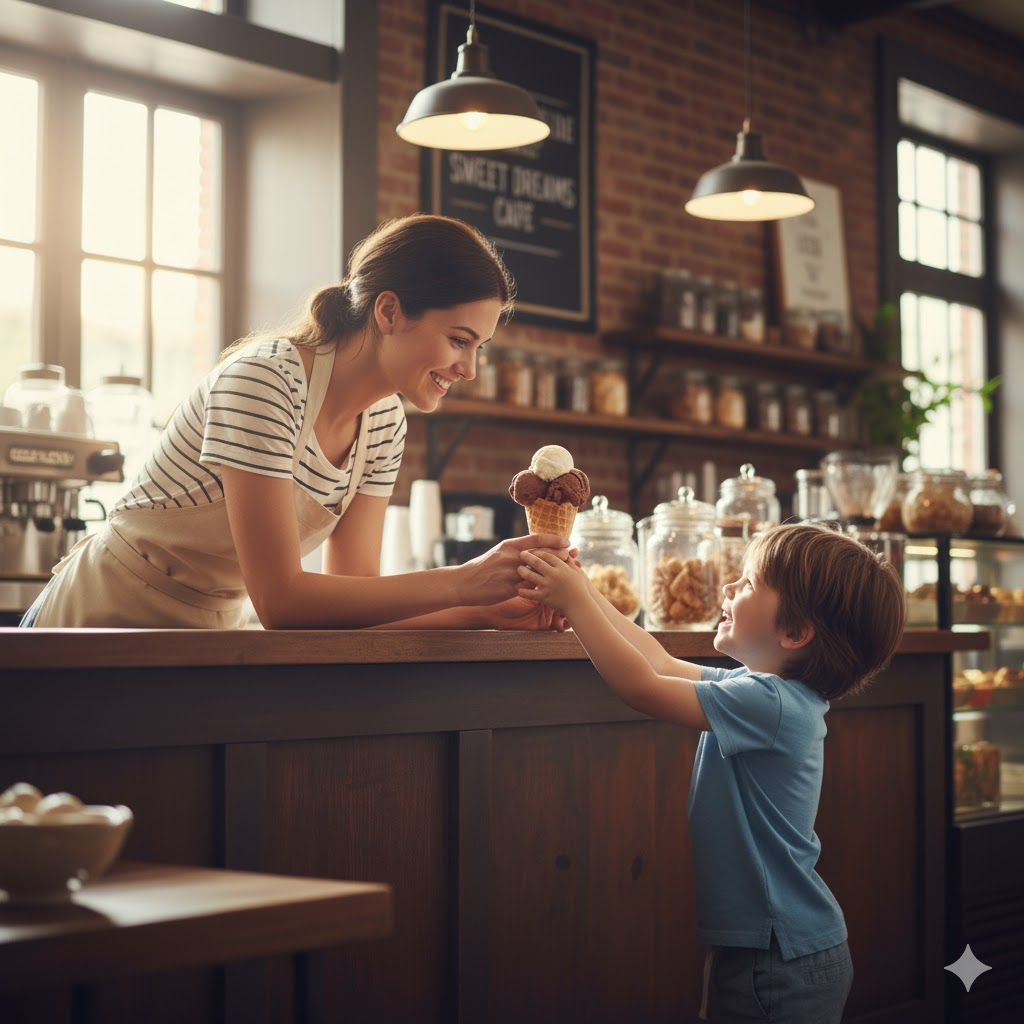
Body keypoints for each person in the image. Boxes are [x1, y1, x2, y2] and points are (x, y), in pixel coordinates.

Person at [22, 213, 568, 630]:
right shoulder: (265, 382)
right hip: (103, 615)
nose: (469, 369)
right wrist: (463, 581)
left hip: (212, 631)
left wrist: (490, 609)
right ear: (388, 312)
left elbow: (355, 595)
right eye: (458, 340)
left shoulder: (383, 423)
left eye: (480, 348)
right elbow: (282, 599)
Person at [516, 521, 906, 1024]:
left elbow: (640, 687)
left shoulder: (772, 704)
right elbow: (655, 660)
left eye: (748, 583)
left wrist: (575, 603)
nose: (727, 587)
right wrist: (584, 589)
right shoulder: (759, 689)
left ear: (794, 633)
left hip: (777, 956)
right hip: (773, 947)